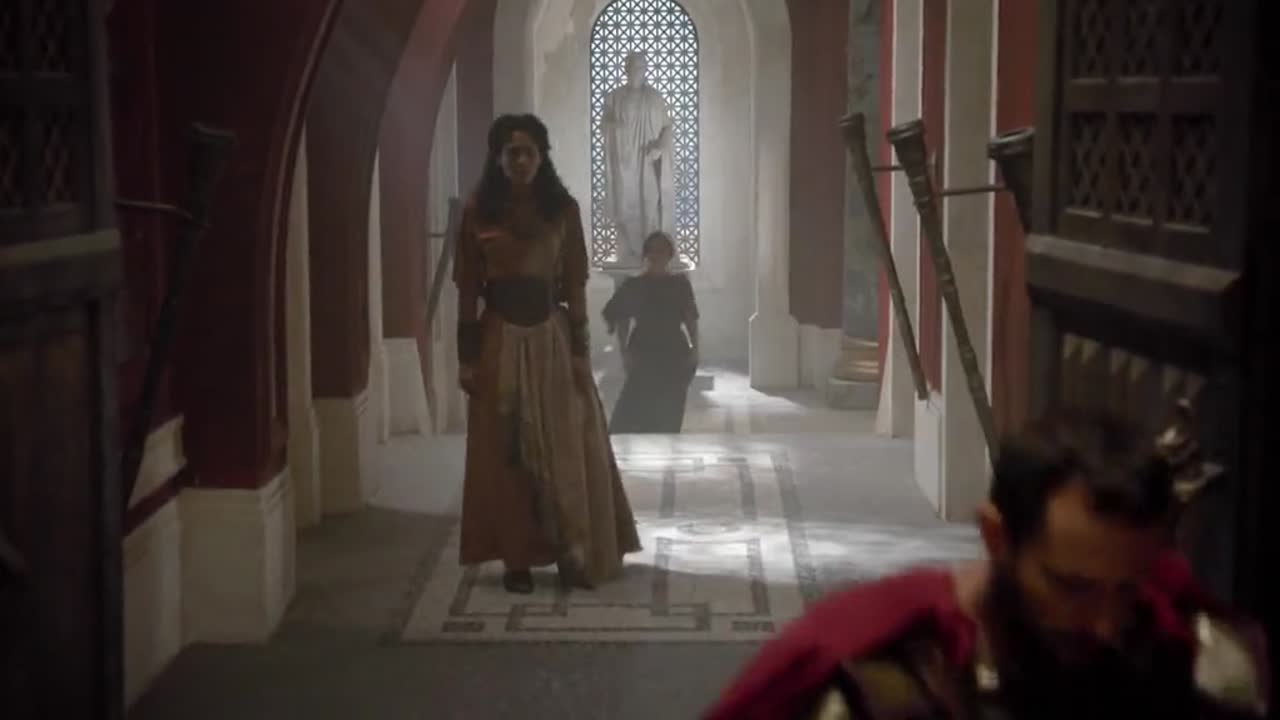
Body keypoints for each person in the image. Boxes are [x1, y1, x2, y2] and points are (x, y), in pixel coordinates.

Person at [705, 409, 1270, 719]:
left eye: (1127, 589)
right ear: (996, 537)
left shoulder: (1192, 658)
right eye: (1072, 587)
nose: (1105, 625)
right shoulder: (888, 683)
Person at [453, 114, 642, 594]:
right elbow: (468, 290)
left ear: (542, 157)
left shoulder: (562, 210)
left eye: (528, 152)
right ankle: (516, 559)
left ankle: (570, 550)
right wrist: (467, 358)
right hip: (499, 338)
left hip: (551, 339)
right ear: (498, 158)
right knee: (508, 450)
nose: (520, 160)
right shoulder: (479, 212)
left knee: (564, 445)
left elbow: (574, 283)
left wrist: (580, 350)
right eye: (511, 152)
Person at [602, 231, 699, 434]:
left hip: (673, 351)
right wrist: (624, 351)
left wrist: (695, 348)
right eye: (652, 250)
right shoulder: (635, 285)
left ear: (669, 254)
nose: (657, 255)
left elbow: (690, 317)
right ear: (646, 254)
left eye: (661, 250)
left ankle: (666, 449)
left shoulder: (679, 284)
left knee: (669, 411)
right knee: (633, 411)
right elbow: (622, 317)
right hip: (643, 350)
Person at [601, 50, 675, 267]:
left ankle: (651, 255)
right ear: (626, 69)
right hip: (624, 163)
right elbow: (604, 125)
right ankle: (629, 252)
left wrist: (660, 147)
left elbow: (668, 127)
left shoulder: (654, 98)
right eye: (633, 67)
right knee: (625, 206)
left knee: (649, 205)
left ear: (645, 70)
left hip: (648, 162)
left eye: (641, 67)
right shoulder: (614, 98)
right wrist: (615, 127)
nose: (637, 71)